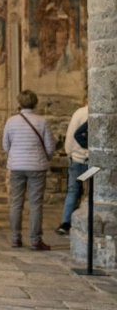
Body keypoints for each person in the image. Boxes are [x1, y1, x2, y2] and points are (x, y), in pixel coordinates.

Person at [3, 90, 56, 250]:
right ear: (35, 102)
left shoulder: (11, 121)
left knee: (16, 202)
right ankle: (35, 240)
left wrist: (16, 156)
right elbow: (50, 146)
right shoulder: (42, 121)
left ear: (19, 103)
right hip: (37, 167)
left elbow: (6, 146)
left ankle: (15, 238)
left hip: (17, 167)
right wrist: (44, 158)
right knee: (35, 204)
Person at [57, 100, 88, 235]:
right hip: (91, 160)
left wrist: (70, 152)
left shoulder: (79, 113)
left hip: (76, 158)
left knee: (73, 191)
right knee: (90, 193)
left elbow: (71, 135)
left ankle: (66, 223)